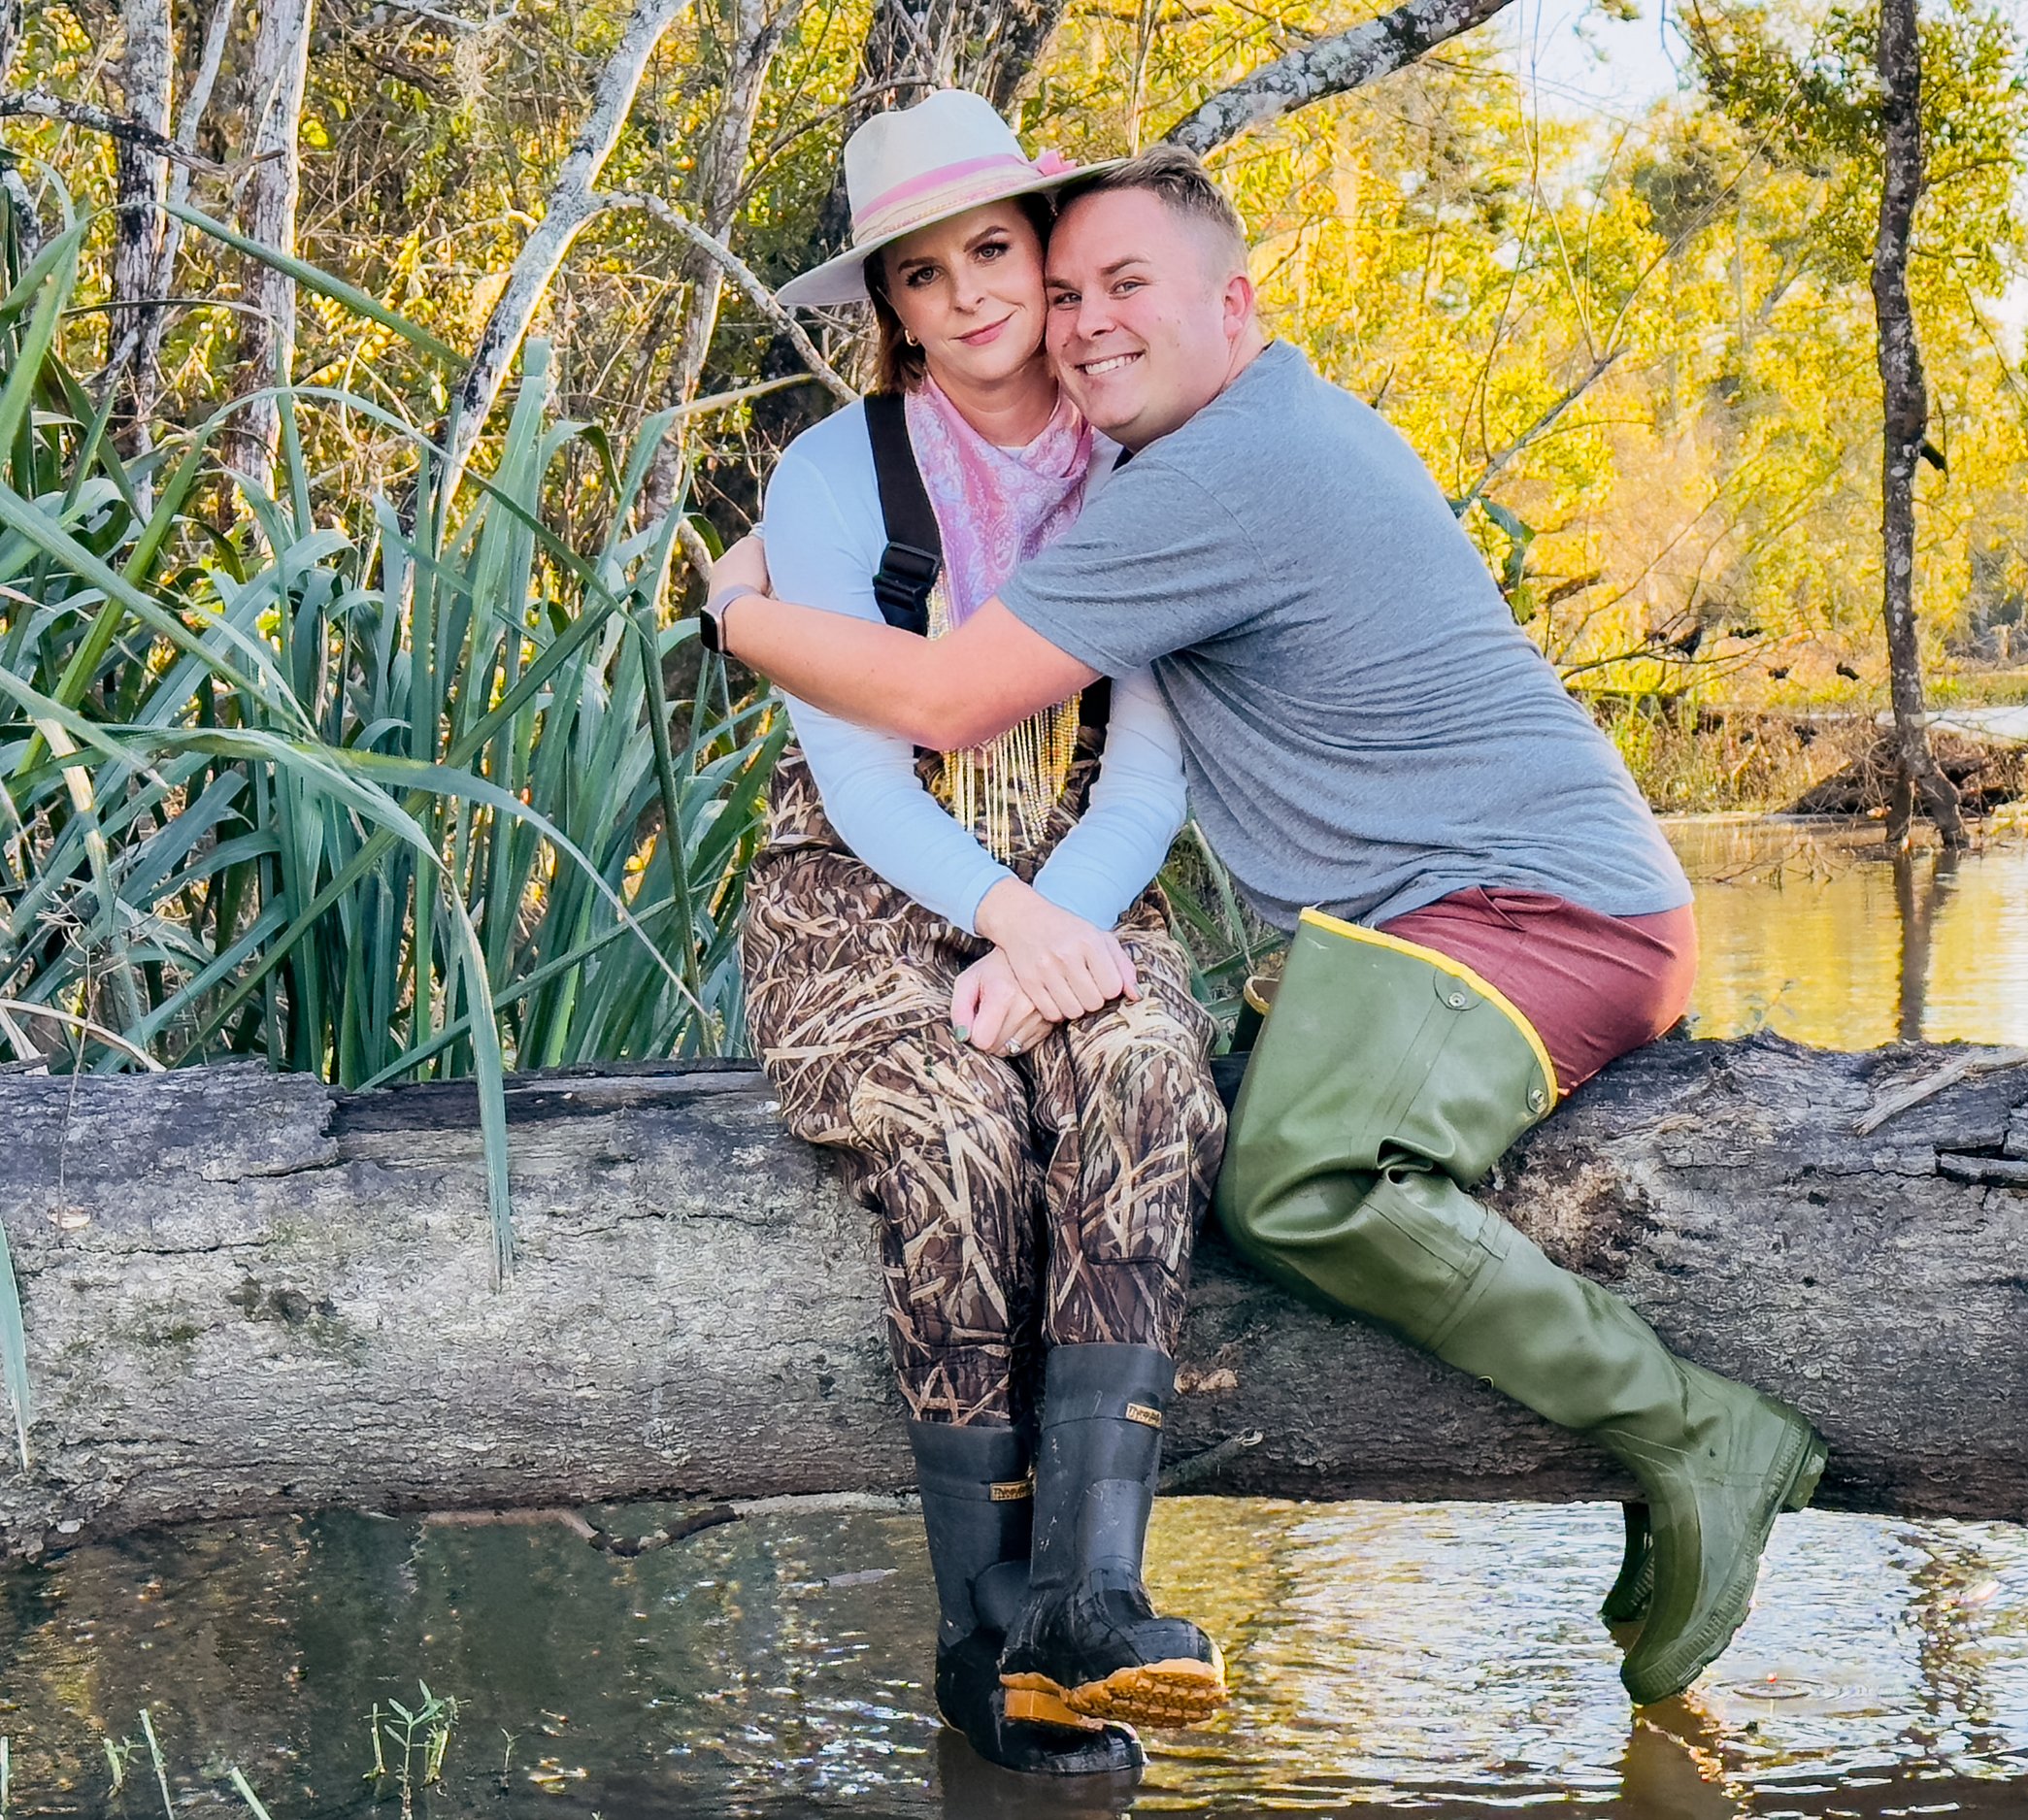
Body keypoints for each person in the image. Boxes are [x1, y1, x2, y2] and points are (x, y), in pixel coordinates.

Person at [707, 144, 1826, 1710]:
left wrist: (740, 616)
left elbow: (959, 700)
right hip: (1447, 911)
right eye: (1069, 287)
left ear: (1234, 302)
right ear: (893, 306)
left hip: (1543, 914)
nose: (1077, 320)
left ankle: (1693, 1431)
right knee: (1169, 1120)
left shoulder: (1214, 471)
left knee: (1288, 1173)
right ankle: (1010, 1640)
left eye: (1117, 287)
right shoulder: (1164, 451)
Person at [711, 93, 1229, 1780]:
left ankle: (1094, 1598)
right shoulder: (828, 474)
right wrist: (997, 930)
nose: (973, 295)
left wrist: (1050, 941)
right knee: (952, 1116)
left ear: (1041, 251)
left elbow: (1145, 769)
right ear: (897, 307)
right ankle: (980, 1634)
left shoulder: (1145, 460)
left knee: (1148, 1066)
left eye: (994, 250)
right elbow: (861, 781)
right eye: (924, 275)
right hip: (856, 903)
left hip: (1086, 877)